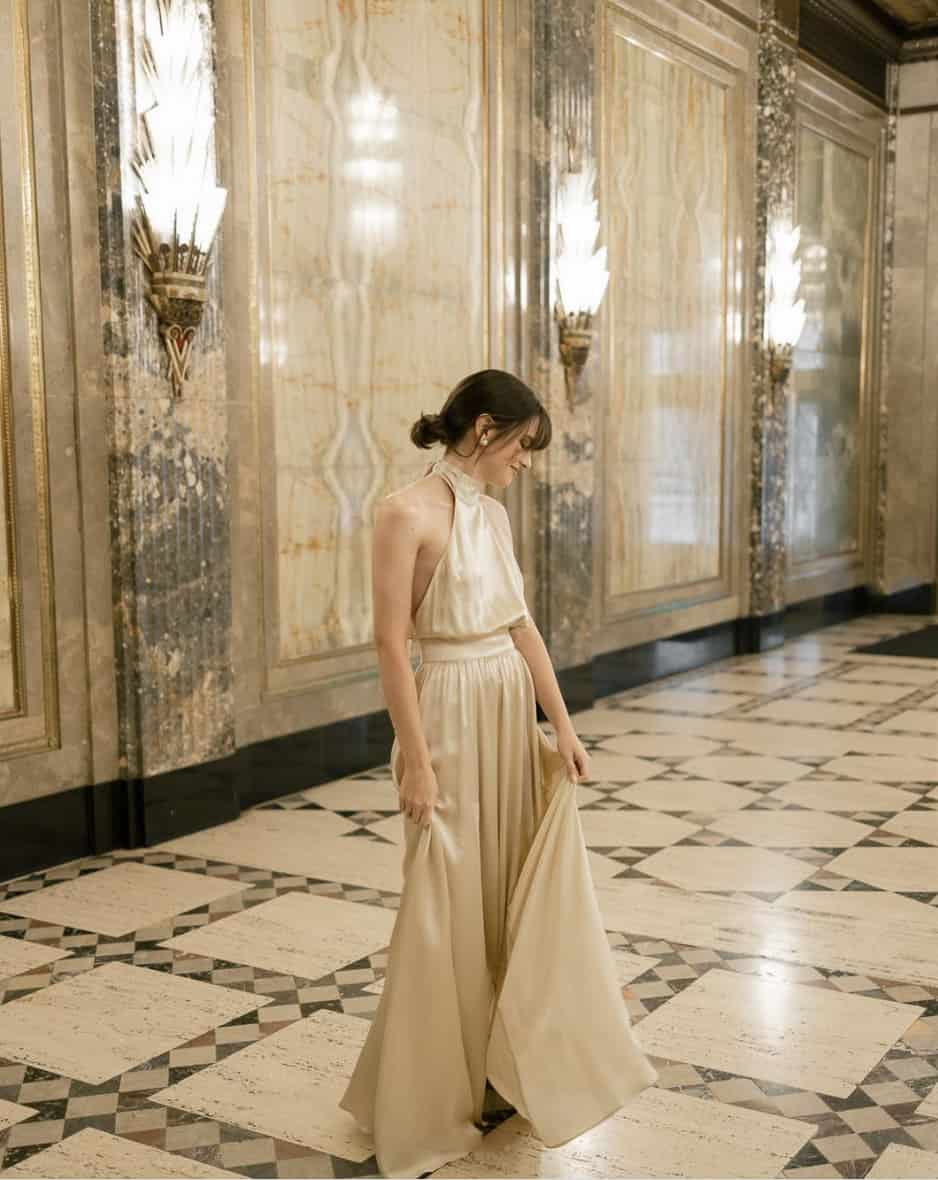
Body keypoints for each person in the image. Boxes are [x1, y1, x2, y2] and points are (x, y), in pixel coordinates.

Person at [338, 369, 658, 1178]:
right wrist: (414, 759)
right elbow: (388, 644)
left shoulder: (497, 518)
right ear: (485, 430)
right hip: (444, 716)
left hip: (508, 718)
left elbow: (522, 628)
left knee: (505, 896)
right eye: (522, 446)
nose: (525, 463)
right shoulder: (400, 514)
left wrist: (562, 724)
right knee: (442, 906)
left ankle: (499, 1072)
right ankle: (426, 1099)